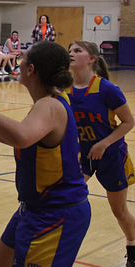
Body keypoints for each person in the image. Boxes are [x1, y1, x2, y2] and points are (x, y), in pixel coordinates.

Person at [0, 41, 91, 266]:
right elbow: (30, 140)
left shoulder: (49, 105)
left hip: (57, 212)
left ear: (31, 69)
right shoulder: (50, 101)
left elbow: (21, 136)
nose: (18, 63)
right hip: (35, 207)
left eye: (22, 59)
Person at [68, 40, 135, 266]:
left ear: (91, 59)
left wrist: (104, 144)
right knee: (66, 198)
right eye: (69, 50)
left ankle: (133, 246)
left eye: (77, 50)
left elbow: (128, 122)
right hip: (82, 156)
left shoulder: (107, 89)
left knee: (119, 211)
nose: (71, 53)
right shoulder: (64, 89)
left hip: (111, 155)